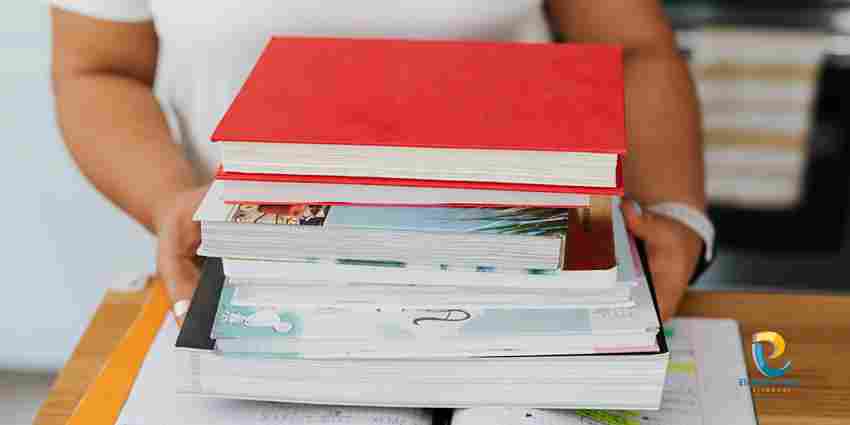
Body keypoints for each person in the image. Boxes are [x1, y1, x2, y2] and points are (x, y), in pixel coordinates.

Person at [50, 1, 711, 322]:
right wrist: (167, 198)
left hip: (526, 270)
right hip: (250, 275)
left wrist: (676, 214)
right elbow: (97, 68)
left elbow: (631, 46)